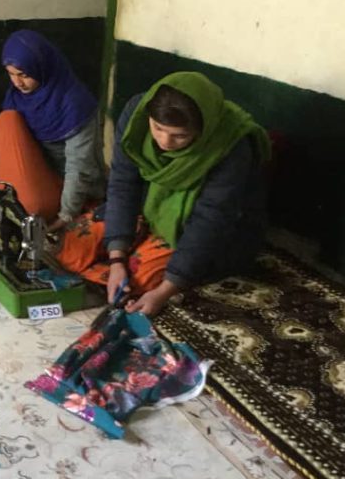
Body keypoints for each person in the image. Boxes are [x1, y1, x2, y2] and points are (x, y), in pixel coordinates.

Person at [57, 71, 270, 316]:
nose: (165, 141)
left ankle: (138, 265)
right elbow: (123, 184)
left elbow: (210, 221)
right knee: (74, 244)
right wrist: (117, 258)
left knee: (143, 278)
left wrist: (165, 291)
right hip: (149, 209)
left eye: (180, 135)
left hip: (208, 229)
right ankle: (120, 261)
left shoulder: (230, 146)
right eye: (157, 128)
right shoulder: (137, 115)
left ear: (204, 129)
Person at [0, 30, 105, 231]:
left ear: (42, 67)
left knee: (30, 208)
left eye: (23, 74)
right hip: (37, 174)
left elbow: (79, 166)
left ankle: (35, 206)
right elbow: (8, 152)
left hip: (67, 187)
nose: (17, 83)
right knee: (7, 120)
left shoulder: (74, 103)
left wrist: (66, 215)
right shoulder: (17, 97)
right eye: (11, 74)